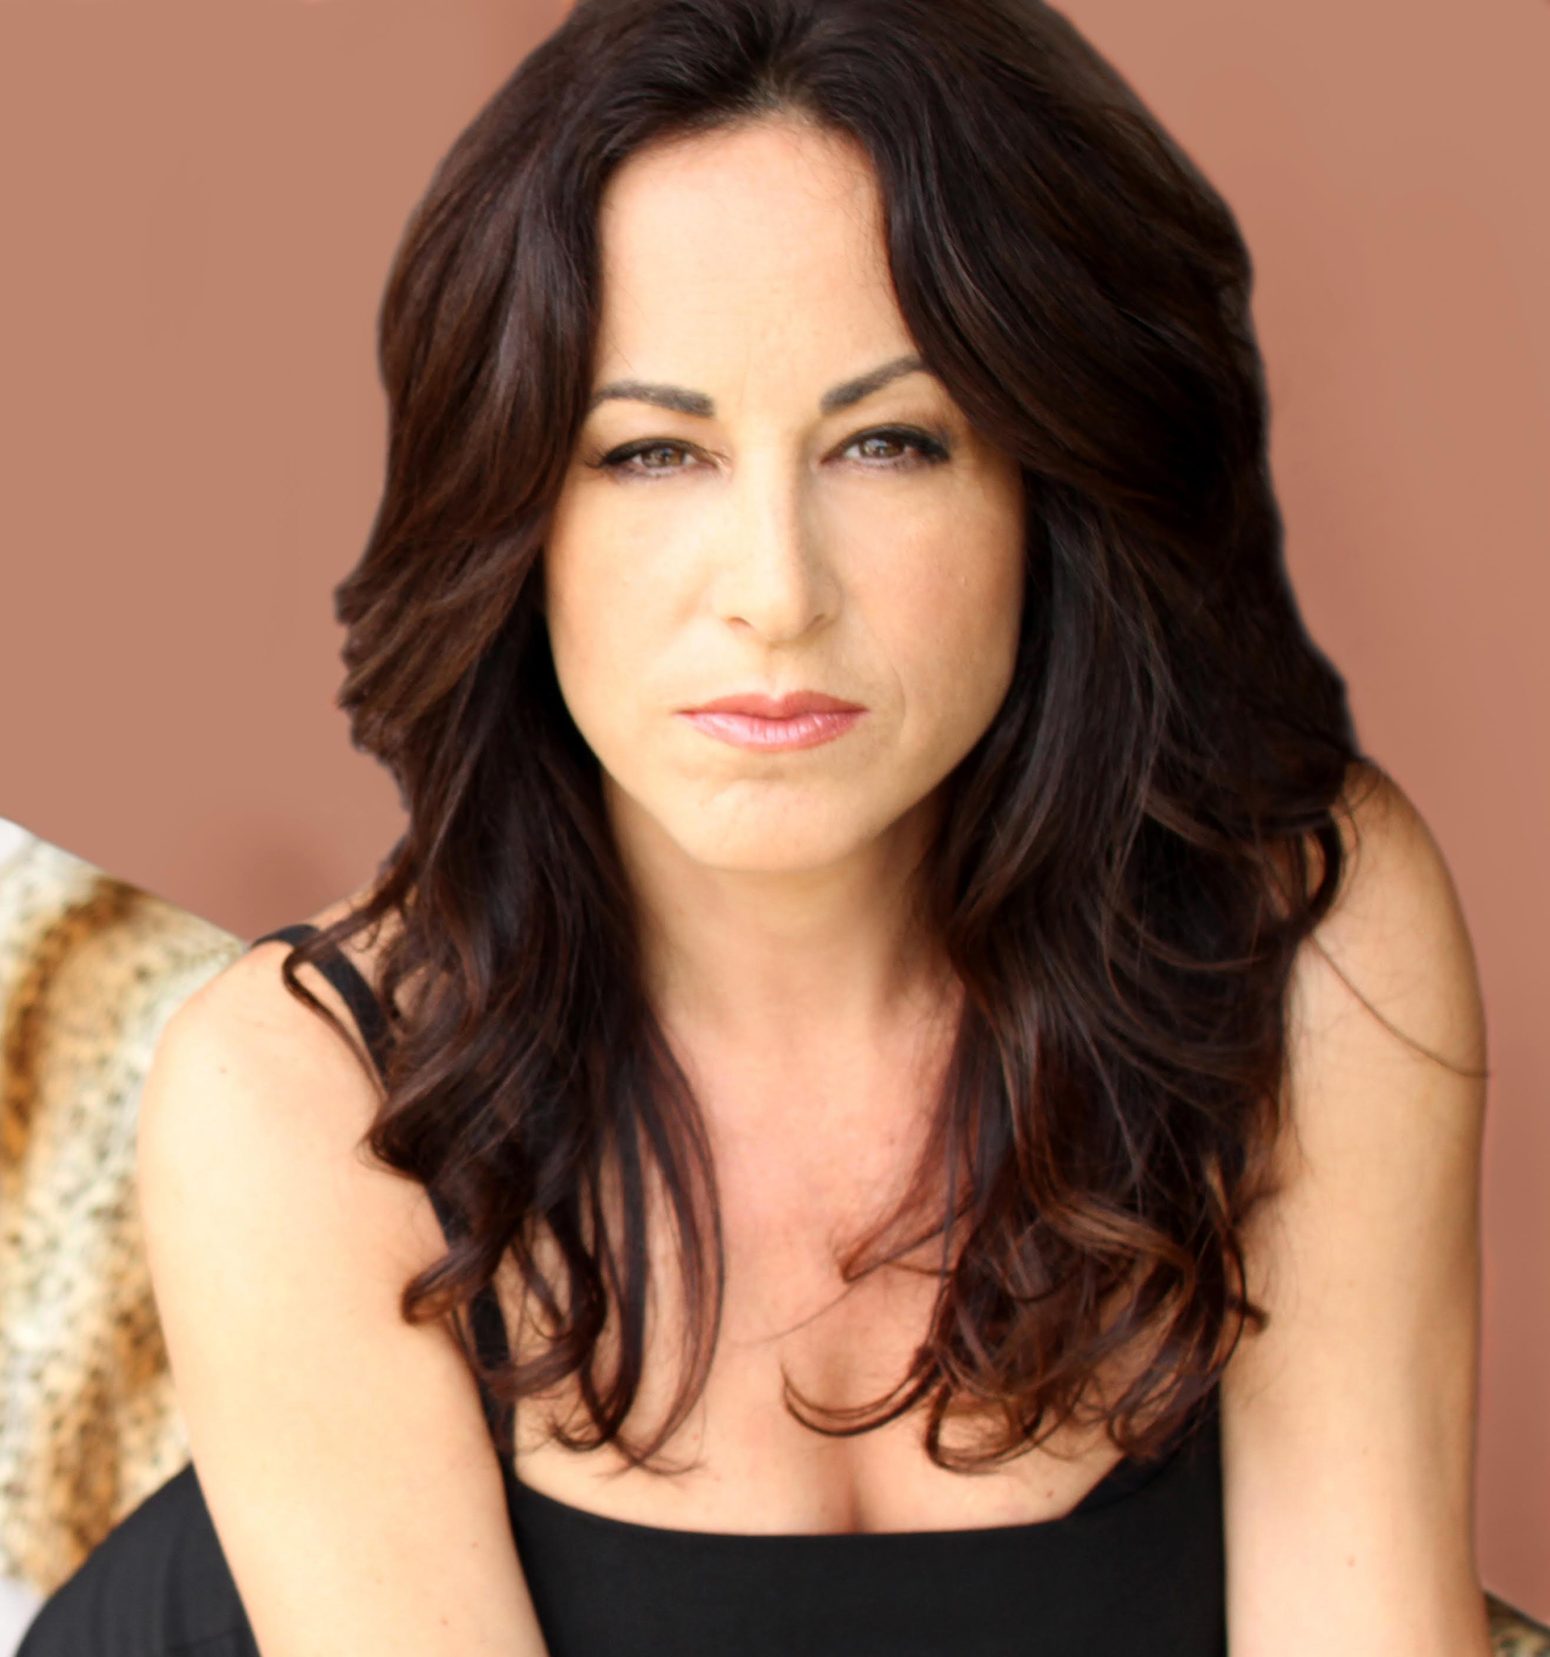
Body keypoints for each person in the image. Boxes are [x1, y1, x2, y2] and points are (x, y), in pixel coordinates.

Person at [19, 0, 1493, 1652]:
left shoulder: (1299, 936)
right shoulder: (306, 1091)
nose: (776, 594)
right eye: (651, 451)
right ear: (519, 517)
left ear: (1044, 492)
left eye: (887, 441)